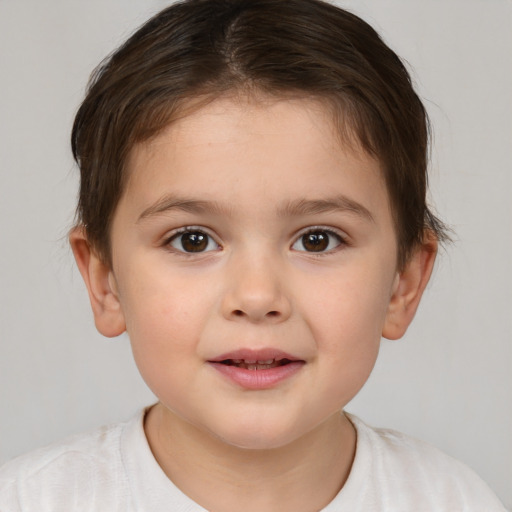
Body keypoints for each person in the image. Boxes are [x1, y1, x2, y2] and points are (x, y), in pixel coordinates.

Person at [0, 0, 506, 510]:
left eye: (318, 239)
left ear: (404, 282)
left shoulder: (455, 501)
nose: (258, 296)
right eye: (192, 239)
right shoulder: (29, 500)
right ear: (104, 279)